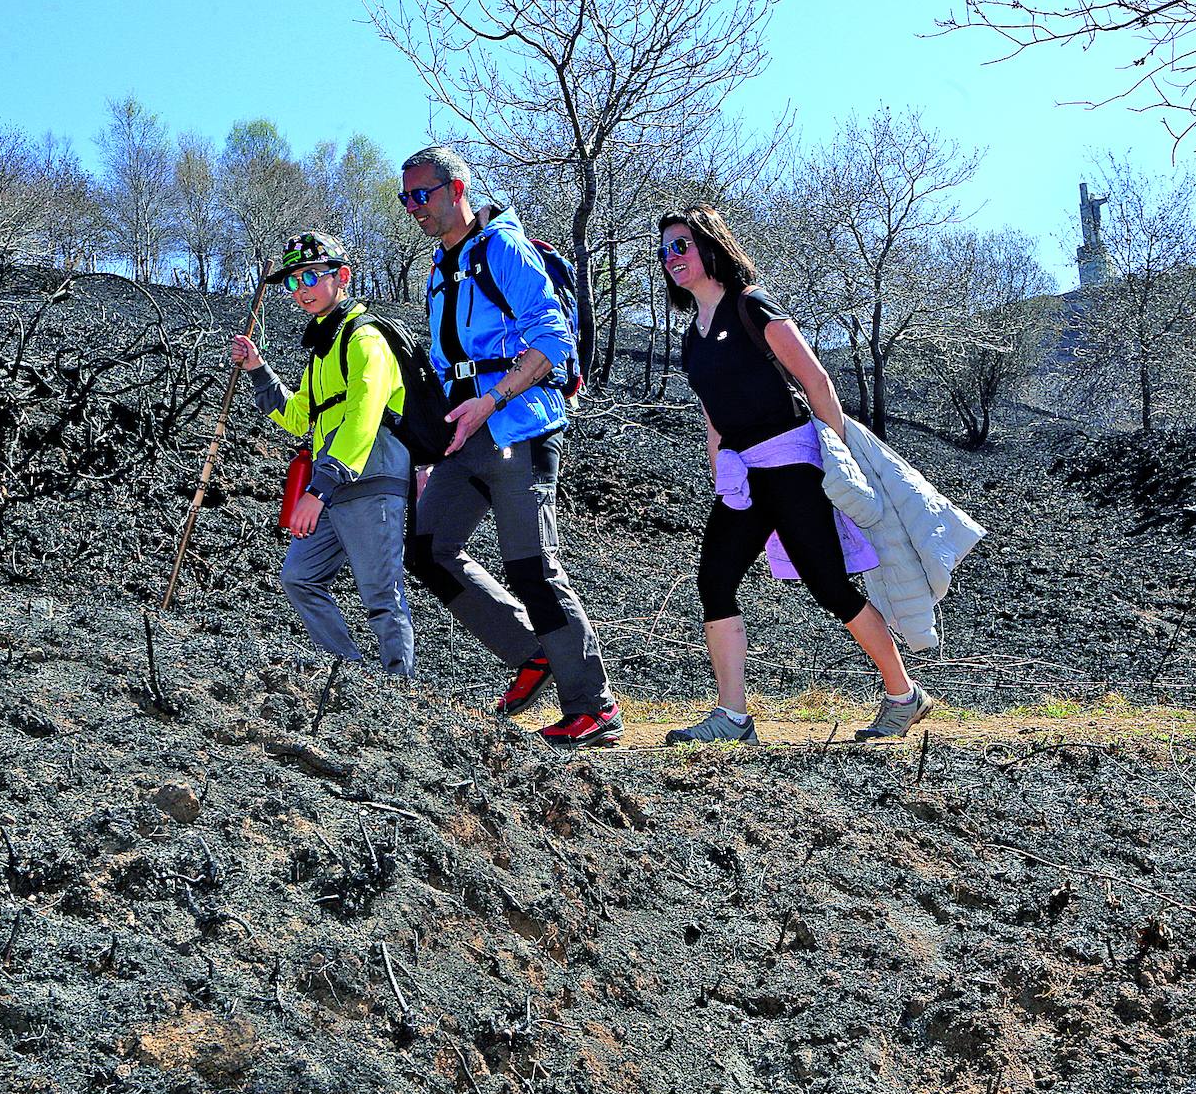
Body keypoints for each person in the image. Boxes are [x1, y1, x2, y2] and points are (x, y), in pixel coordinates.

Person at [658, 204, 933, 744]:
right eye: (665, 249)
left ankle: (904, 695)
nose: (672, 257)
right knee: (714, 579)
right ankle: (733, 718)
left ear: (711, 245)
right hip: (744, 474)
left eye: (682, 244)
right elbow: (714, 411)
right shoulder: (691, 335)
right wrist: (720, 469)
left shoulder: (751, 306)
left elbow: (817, 380)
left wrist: (838, 457)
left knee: (830, 586)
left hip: (792, 463)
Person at [398, 145, 621, 747]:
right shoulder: (438, 275)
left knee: (531, 566)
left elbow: (553, 335)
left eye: (424, 193)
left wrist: (492, 401)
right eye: (406, 197)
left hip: (518, 428)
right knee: (425, 547)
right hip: (463, 436)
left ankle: (593, 705)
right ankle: (531, 651)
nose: (415, 207)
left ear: (458, 188)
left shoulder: (504, 248)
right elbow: (447, 367)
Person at [231, 230, 414, 676]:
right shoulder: (323, 347)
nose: (302, 290)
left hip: (369, 479)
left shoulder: (364, 338)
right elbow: (299, 417)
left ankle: (400, 696)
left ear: (342, 276)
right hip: (330, 485)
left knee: (380, 593)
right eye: (294, 282)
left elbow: (363, 416)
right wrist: (258, 370)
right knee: (300, 577)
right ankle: (347, 673)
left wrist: (321, 486)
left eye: (311, 276)